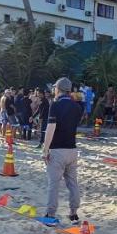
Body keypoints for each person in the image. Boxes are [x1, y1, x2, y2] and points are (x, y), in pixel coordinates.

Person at [41, 77, 84, 224]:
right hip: (72, 149)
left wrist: (45, 149)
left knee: (54, 184)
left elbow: (51, 128)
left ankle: (50, 214)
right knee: (73, 183)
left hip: (57, 150)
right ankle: (73, 213)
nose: (53, 90)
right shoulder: (77, 107)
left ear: (58, 89)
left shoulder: (55, 105)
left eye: (54, 88)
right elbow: (80, 99)